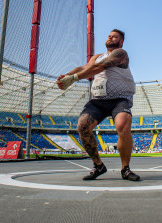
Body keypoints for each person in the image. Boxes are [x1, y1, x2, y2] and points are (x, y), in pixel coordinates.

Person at [56, 29, 140, 181]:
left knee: (123, 125)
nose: (110, 38)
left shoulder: (121, 53)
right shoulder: (97, 57)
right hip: (99, 100)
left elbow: (99, 67)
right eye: (109, 36)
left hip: (120, 98)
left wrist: (73, 78)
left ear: (120, 42)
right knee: (82, 126)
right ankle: (98, 166)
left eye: (114, 36)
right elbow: (84, 68)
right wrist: (66, 76)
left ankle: (125, 169)